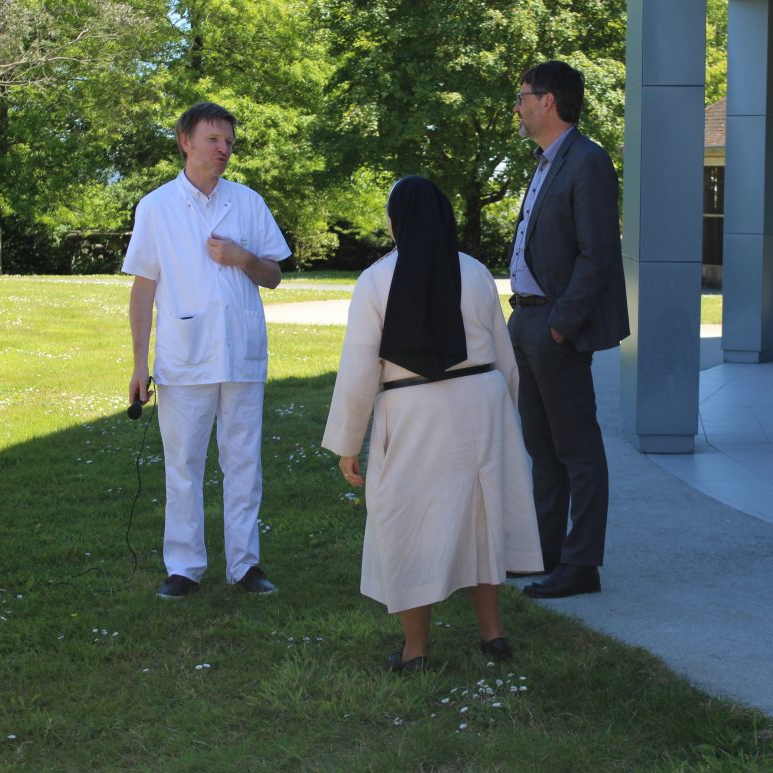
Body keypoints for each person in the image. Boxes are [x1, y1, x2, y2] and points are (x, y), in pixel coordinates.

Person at [322, 176, 542, 671]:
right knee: (483, 516)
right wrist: (507, 411)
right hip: (482, 404)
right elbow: (505, 358)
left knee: (408, 521)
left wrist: (348, 441)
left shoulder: (377, 279)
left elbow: (359, 368)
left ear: (397, 223)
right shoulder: (476, 272)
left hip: (414, 411)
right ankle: (494, 636)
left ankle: (416, 650)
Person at [124, 101, 291, 598]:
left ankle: (245, 565)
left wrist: (243, 258)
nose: (224, 150)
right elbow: (143, 288)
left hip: (241, 354)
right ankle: (184, 566)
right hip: (183, 355)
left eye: (229, 142)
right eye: (214, 140)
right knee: (183, 466)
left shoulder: (247, 202)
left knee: (243, 464)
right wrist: (138, 363)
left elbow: (275, 275)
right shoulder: (156, 206)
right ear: (185, 142)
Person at [508, 61, 628, 599]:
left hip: (554, 325)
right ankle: (548, 553)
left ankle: (582, 565)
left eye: (523, 96)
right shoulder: (545, 162)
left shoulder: (588, 162)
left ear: (549, 100)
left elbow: (597, 254)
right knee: (542, 445)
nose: (518, 105)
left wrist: (561, 326)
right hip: (527, 318)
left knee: (577, 449)